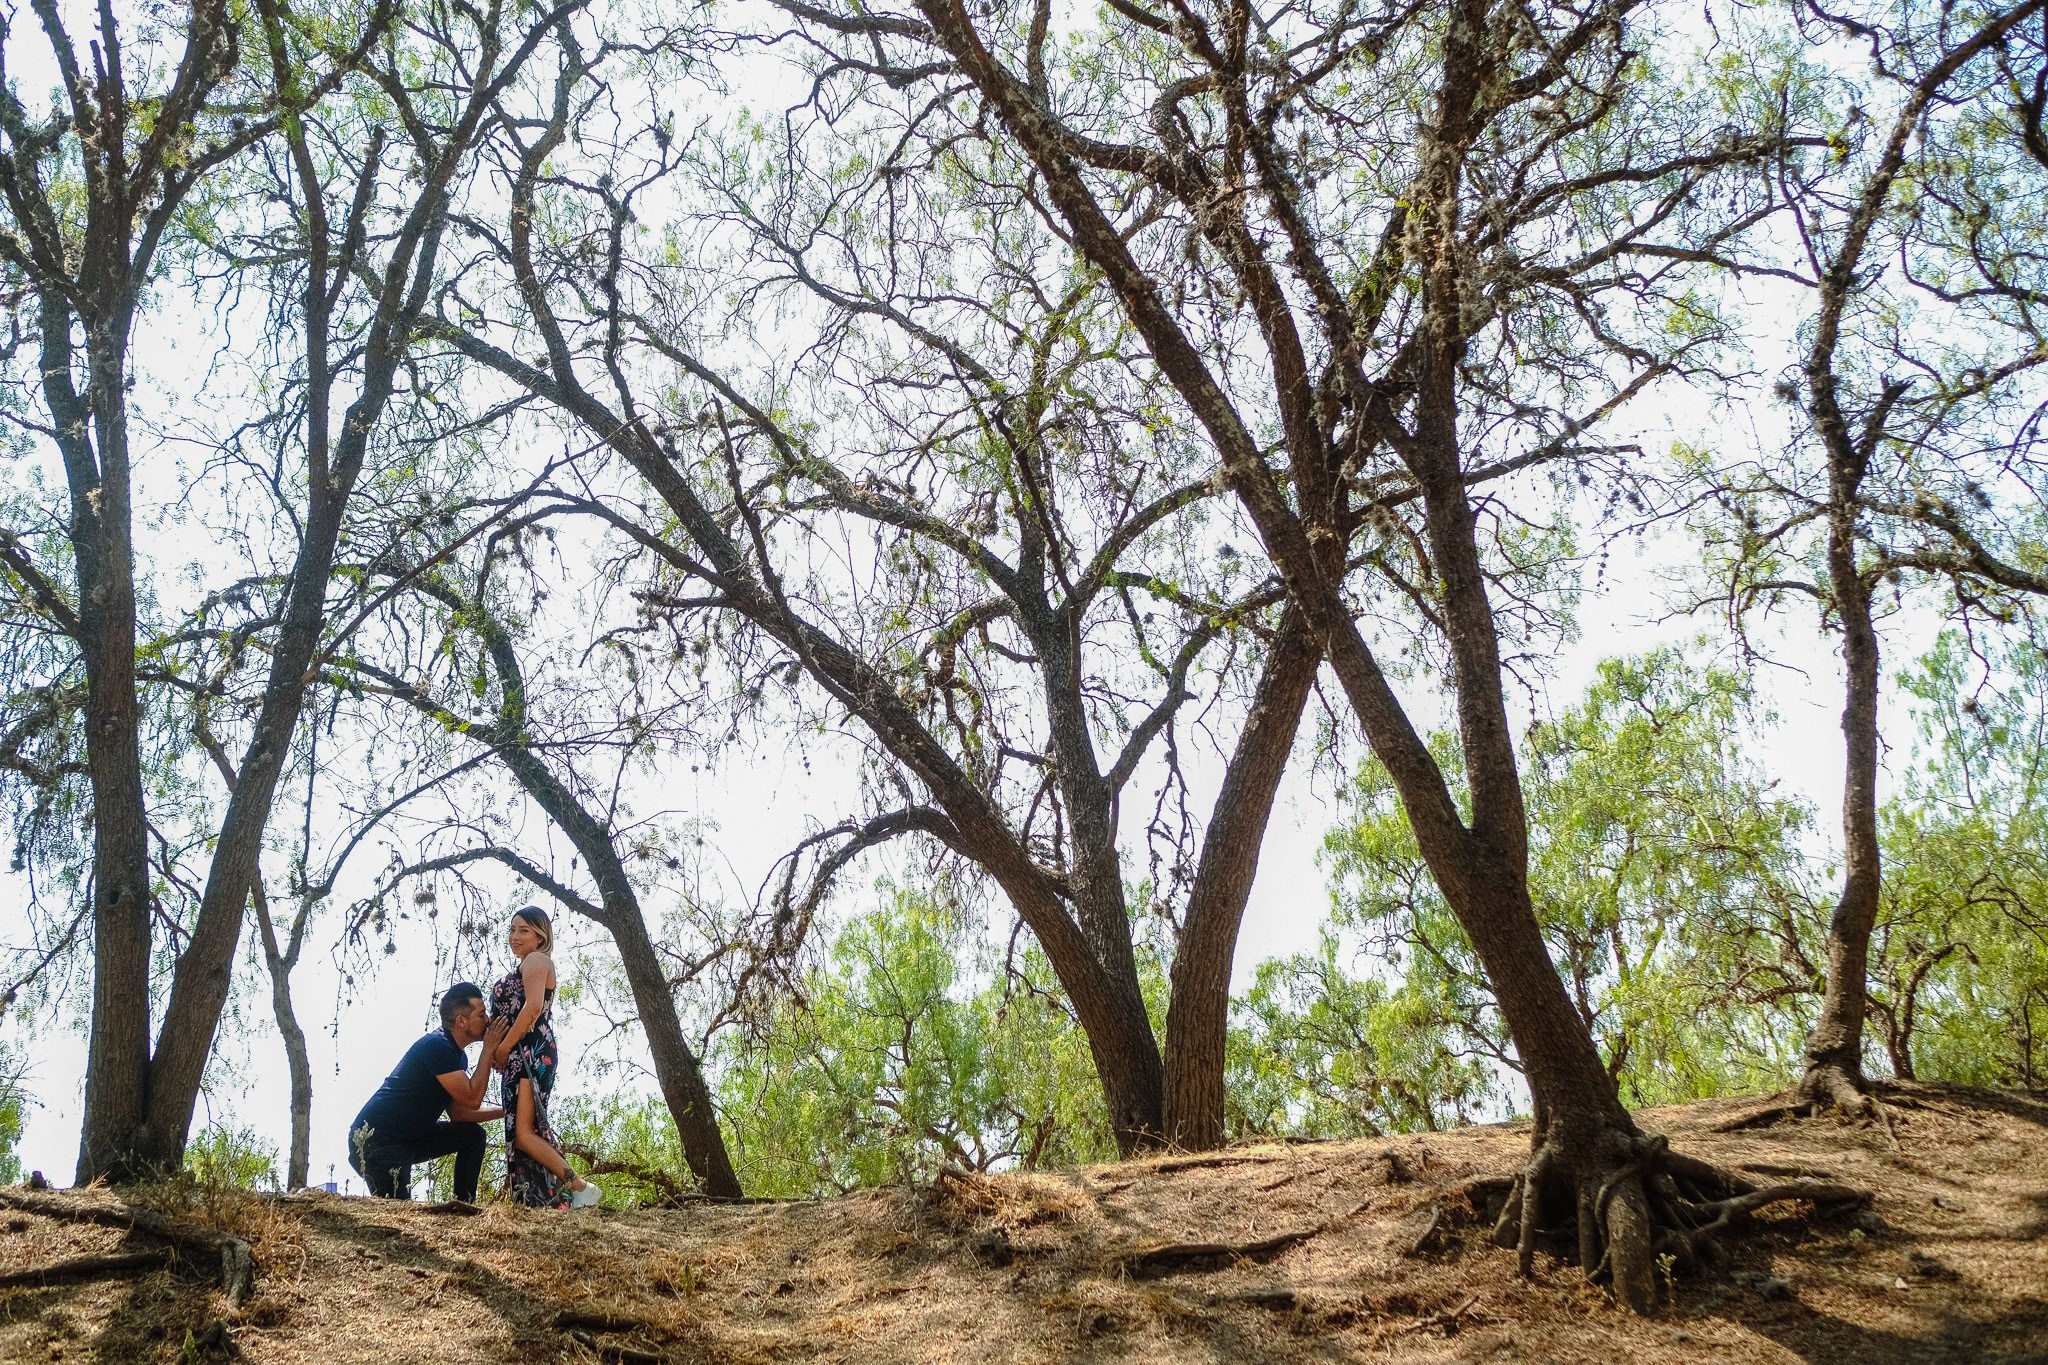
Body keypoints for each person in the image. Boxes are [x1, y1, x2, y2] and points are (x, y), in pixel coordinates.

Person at [348, 982, 507, 1202]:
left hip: (411, 1137)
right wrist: (489, 1050)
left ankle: (464, 1206)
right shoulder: (437, 1046)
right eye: (482, 1015)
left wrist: (509, 1110)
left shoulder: (457, 1056)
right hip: (378, 1141)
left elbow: (461, 1115)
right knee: (400, 1216)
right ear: (461, 1021)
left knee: (472, 1135)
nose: (488, 1020)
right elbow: (473, 1098)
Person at [491, 906, 600, 1208]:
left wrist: (502, 1048)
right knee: (525, 1131)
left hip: (530, 1049)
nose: (515, 936)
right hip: (520, 1051)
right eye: (512, 929)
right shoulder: (525, 964)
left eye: (523, 930)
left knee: (525, 1133)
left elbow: (533, 1008)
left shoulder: (537, 960)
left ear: (540, 937)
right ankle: (548, 1197)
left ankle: (580, 1187)